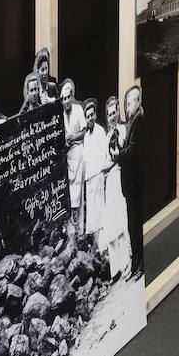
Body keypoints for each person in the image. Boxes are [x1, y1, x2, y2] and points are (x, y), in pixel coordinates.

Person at [102, 94, 133, 277]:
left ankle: (128, 261)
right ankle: (118, 266)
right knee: (112, 221)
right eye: (109, 114)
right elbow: (103, 162)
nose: (112, 117)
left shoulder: (121, 130)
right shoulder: (107, 136)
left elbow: (117, 156)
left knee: (122, 218)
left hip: (120, 175)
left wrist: (110, 162)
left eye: (114, 113)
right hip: (110, 181)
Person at [119, 84, 145, 275]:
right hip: (132, 183)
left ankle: (139, 264)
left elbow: (131, 151)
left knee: (135, 225)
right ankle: (136, 263)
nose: (127, 107)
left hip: (134, 182)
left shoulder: (138, 120)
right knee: (132, 225)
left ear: (137, 102)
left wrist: (117, 154)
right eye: (126, 103)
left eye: (129, 103)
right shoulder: (133, 121)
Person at [61, 78, 88, 236]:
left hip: (78, 152)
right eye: (63, 99)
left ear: (72, 97)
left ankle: (80, 228)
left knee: (78, 189)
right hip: (68, 155)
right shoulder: (61, 114)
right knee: (69, 191)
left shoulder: (78, 109)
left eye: (68, 97)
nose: (66, 101)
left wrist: (73, 138)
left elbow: (83, 132)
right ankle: (70, 230)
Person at [82, 97, 109, 246]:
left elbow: (104, 154)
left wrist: (101, 175)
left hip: (98, 175)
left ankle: (104, 244)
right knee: (92, 211)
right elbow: (86, 159)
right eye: (88, 116)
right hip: (89, 178)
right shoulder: (86, 136)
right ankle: (97, 245)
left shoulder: (100, 132)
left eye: (92, 115)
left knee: (100, 210)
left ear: (95, 115)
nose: (90, 118)